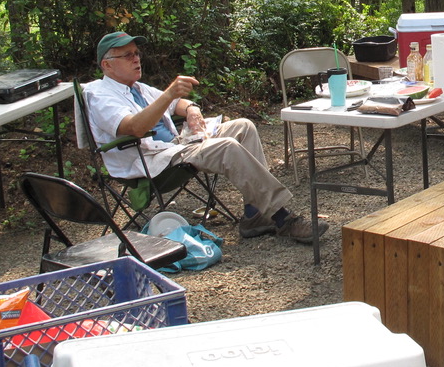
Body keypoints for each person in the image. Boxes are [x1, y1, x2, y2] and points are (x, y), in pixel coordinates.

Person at [82, 31, 326, 244]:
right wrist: (168, 96)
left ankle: (254, 214)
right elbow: (133, 128)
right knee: (227, 147)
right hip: (151, 160)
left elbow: (180, 102)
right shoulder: (100, 95)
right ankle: (282, 217)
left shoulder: (138, 88)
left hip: (176, 146)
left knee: (244, 126)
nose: (136, 58)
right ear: (107, 65)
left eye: (136, 53)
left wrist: (191, 110)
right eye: (127, 55)